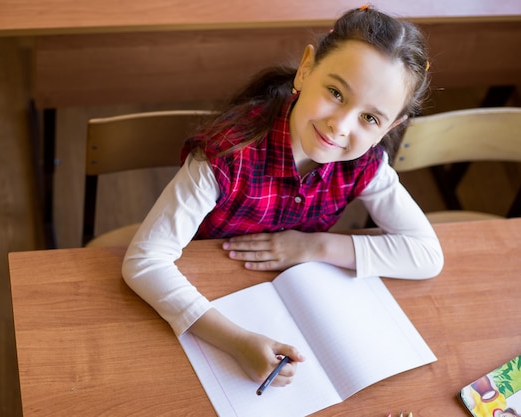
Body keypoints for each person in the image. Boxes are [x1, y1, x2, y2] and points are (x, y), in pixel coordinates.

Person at [122, 5, 444, 389]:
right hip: (206, 281)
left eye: (370, 118)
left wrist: (316, 247)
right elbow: (144, 262)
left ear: (391, 126)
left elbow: (426, 255)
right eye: (336, 92)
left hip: (283, 294)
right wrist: (237, 342)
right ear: (307, 69)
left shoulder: (366, 164)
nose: (340, 126)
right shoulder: (226, 156)